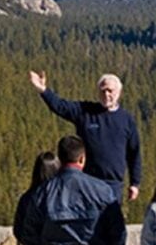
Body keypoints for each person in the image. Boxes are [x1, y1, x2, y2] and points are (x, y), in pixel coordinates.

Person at [29, 70, 142, 202]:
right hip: (86, 182)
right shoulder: (85, 112)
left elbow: (134, 152)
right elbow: (60, 106)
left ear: (119, 92)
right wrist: (43, 90)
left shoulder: (126, 120)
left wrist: (135, 183)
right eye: (103, 90)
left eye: (110, 91)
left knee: (110, 222)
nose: (106, 94)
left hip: (113, 185)